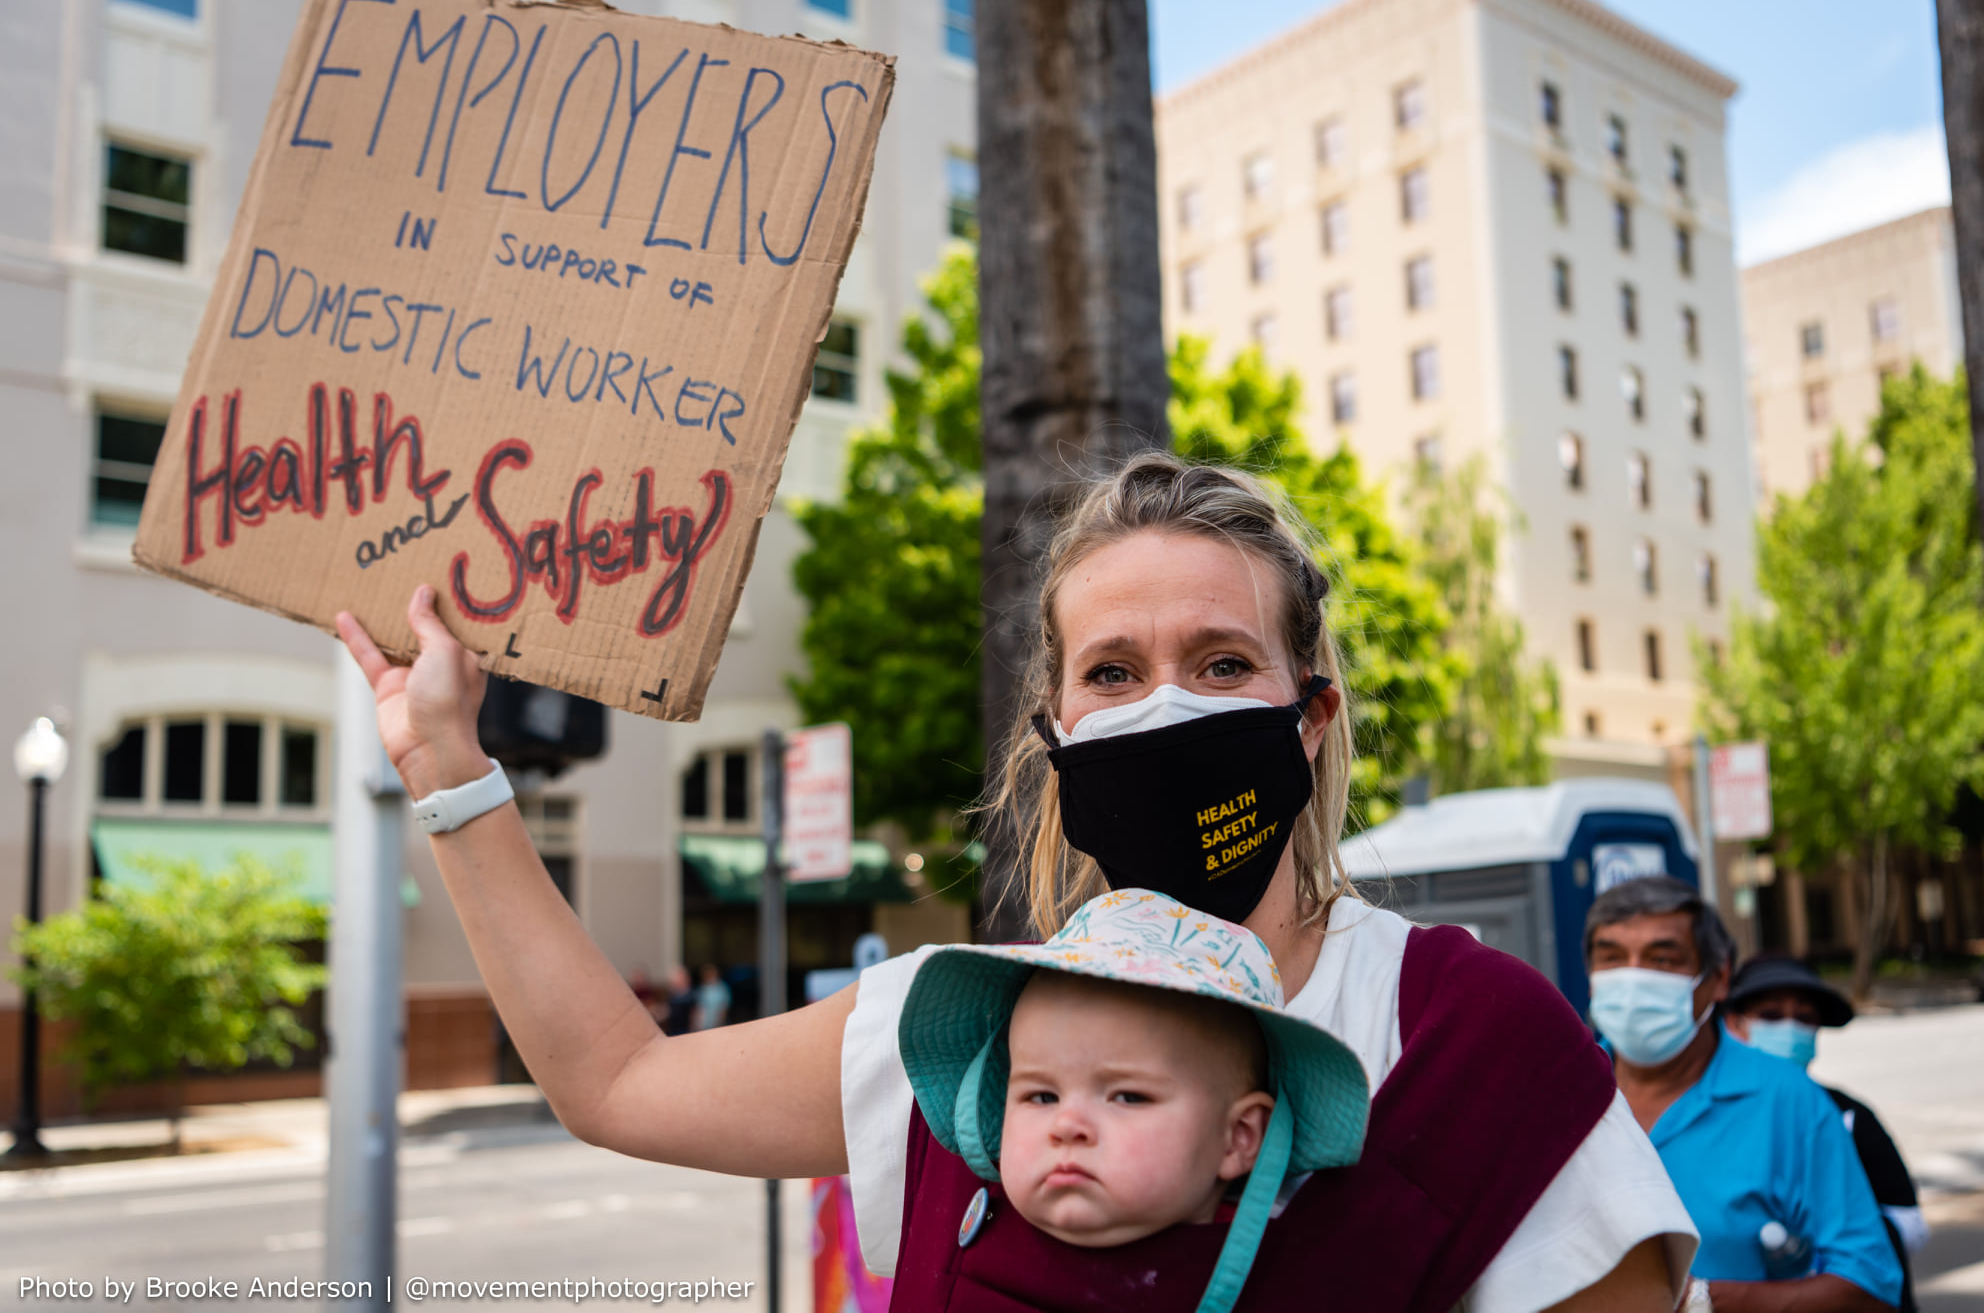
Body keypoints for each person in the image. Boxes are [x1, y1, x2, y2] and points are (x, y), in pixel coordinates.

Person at [336, 453, 1692, 1311]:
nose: (1165, 708)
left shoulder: (1468, 1033)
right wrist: (452, 765)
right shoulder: (951, 1023)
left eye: (1223, 664)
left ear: (1311, 714)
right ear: (1053, 730)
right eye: (1113, 673)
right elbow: (616, 1082)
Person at [892, 888, 1370, 1313]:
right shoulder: (961, 1234)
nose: (1068, 1125)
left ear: (1238, 1138)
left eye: (1127, 1096)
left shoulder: (1291, 1283)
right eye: (1041, 1095)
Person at [1584, 876, 1902, 1312]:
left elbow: (1871, 1285)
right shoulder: (1562, 1097)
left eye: (1661, 959)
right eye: (1613, 958)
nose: (1635, 979)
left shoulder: (1789, 1101)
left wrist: (1707, 1301)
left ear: (1718, 979)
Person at [1725, 956, 1928, 1312]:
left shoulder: (1848, 1117)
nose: (1789, 1028)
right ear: (1734, 1023)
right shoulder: (1705, 1114)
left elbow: (1909, 1223)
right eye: (1771, 1016)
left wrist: (1833, 1241)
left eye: (1803, 1018)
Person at [691, 963, 730, 1031]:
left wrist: (719, 1024)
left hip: (716, 1025)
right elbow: (697, 1008)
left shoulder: (721, 988)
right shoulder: (701, 988)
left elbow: (724, 1007)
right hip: (703, 1026)